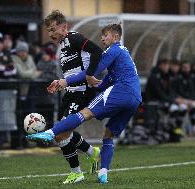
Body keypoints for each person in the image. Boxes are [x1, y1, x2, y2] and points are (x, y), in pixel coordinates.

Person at [27, 23, 142, 184]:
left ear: (116, 37)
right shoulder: (124, 54)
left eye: (106, 35)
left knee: (85, 113)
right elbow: (106, 80)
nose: (102, 38)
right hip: (135, 98)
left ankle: (50, 133)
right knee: (108, 134)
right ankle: (103, 173)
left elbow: (92, 70)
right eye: (102, 35)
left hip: (122, 90)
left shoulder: (113, 50)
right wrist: (97, 84)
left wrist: (66, 80)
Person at [37, 10, 103, 184]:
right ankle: (92, 152)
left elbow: (97, 51)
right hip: (71, 93)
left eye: (53, 29)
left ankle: (77, 173)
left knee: (60, 134)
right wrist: (62, 83)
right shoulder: (64, 45)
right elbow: (73, 71)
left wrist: (89, 75)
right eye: (49, 31)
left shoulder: (74, 38)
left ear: (64, 26)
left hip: (82, 92)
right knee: (65, 132)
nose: (51, 34)